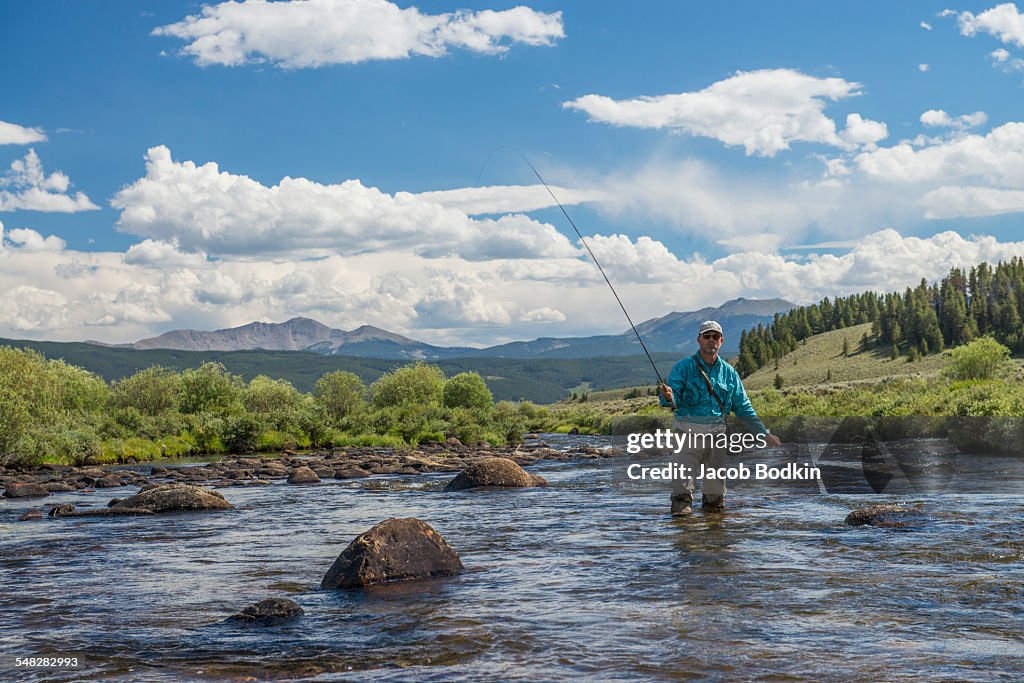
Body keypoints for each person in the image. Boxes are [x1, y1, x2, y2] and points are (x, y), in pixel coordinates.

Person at [658, 320, 781, 515]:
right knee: (681, 495)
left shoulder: (730, 373)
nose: (711, 340)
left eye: (715, 337)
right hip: (686, 436)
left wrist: (761, 432)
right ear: (699, 340)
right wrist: (667, 397)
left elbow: (743, 407)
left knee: (715, 501)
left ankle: (715, 542)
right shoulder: (683, 367)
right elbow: (671, 399)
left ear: (721, 341)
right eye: (707, 336)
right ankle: (684, 541)